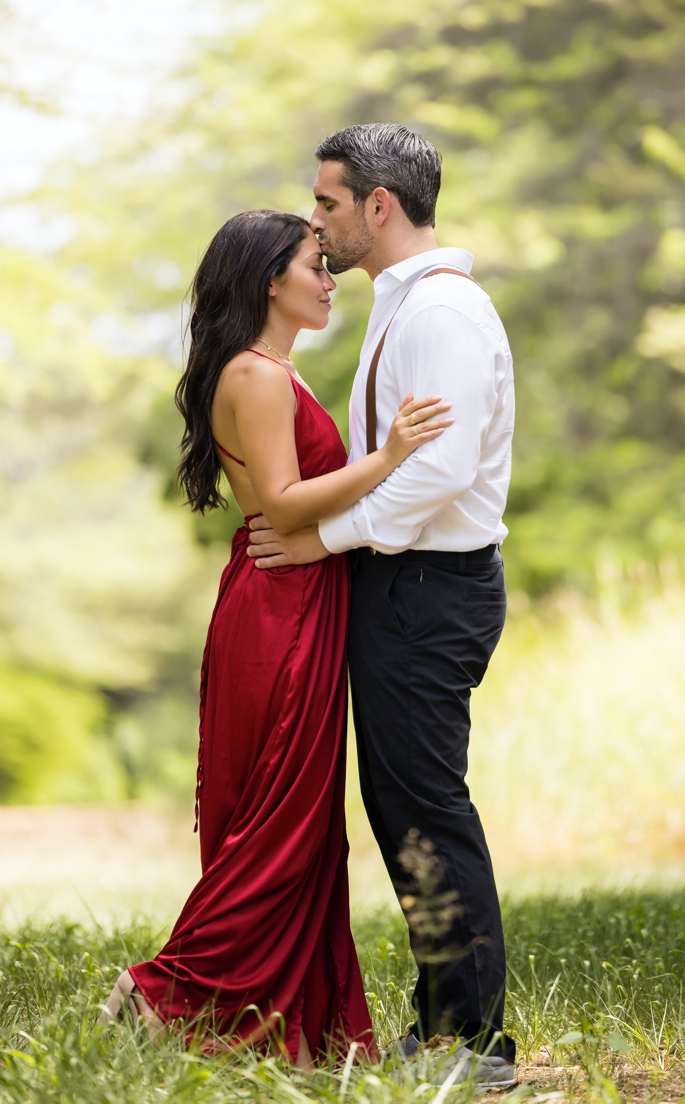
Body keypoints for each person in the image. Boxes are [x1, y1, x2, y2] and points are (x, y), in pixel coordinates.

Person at [104, 209, 451, 1067]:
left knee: (301, 829)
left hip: (299, 601)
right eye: (314, 265)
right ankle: (156, 991)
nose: (329, 278)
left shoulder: (275, 372)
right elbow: (286, 505)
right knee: (277, 831)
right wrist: (392, 454)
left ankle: (288, 1023)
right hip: (279, 613)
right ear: (270, 280)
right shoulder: (256, 377)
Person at [245, 122, 521, 1087]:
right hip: (404, 584)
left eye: (325, 203)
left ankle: (475, 1047)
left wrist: (324, 538)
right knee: (402, 801)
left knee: (424, 808)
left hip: (428, 587)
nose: (315, 226)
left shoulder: (441, 312)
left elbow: (439, 472)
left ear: (378, 206)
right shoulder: (404, 304)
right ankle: (446, 1027)